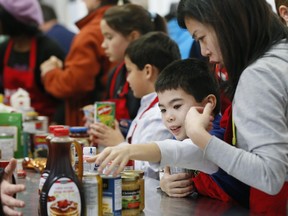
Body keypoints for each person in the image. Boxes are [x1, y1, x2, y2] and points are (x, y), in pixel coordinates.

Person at [91, 0, 288, 214]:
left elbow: (270, 176)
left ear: (225, 23)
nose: (203, 51)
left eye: (202, 38)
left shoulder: (260, 75)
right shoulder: (279, 58)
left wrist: (198, 135)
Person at [88, 58, 244, 202]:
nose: (169, 117)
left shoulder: (215, 136)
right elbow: (169, 165)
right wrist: (165, 183)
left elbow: (180, 151)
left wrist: (128, 150)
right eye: (163, 110)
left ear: (208, 103)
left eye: (177, 106)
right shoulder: (180, 137)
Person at [89, 32, 180, 178]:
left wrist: (119, 143)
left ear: (148, 71)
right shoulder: (147, 105)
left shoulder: (160, 113)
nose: (127, 79)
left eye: (129, 71)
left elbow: (151, 170)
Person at [87, 4, 167, 136]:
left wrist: (120, 142)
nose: (103, 45)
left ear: (133, 37)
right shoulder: (116, 73)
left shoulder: (158, 74)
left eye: (109, 37)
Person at [40, 0, 122, 126]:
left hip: (90, 122)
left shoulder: (91, 32)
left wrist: (50, 72)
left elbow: (74, 84)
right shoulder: (124, 24)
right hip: (116, 118)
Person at [0, 0, 65, 122]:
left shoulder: (47, 49)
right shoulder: (3, 49)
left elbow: (63, 96)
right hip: (11, 123)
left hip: (44, 127)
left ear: (11, 20)